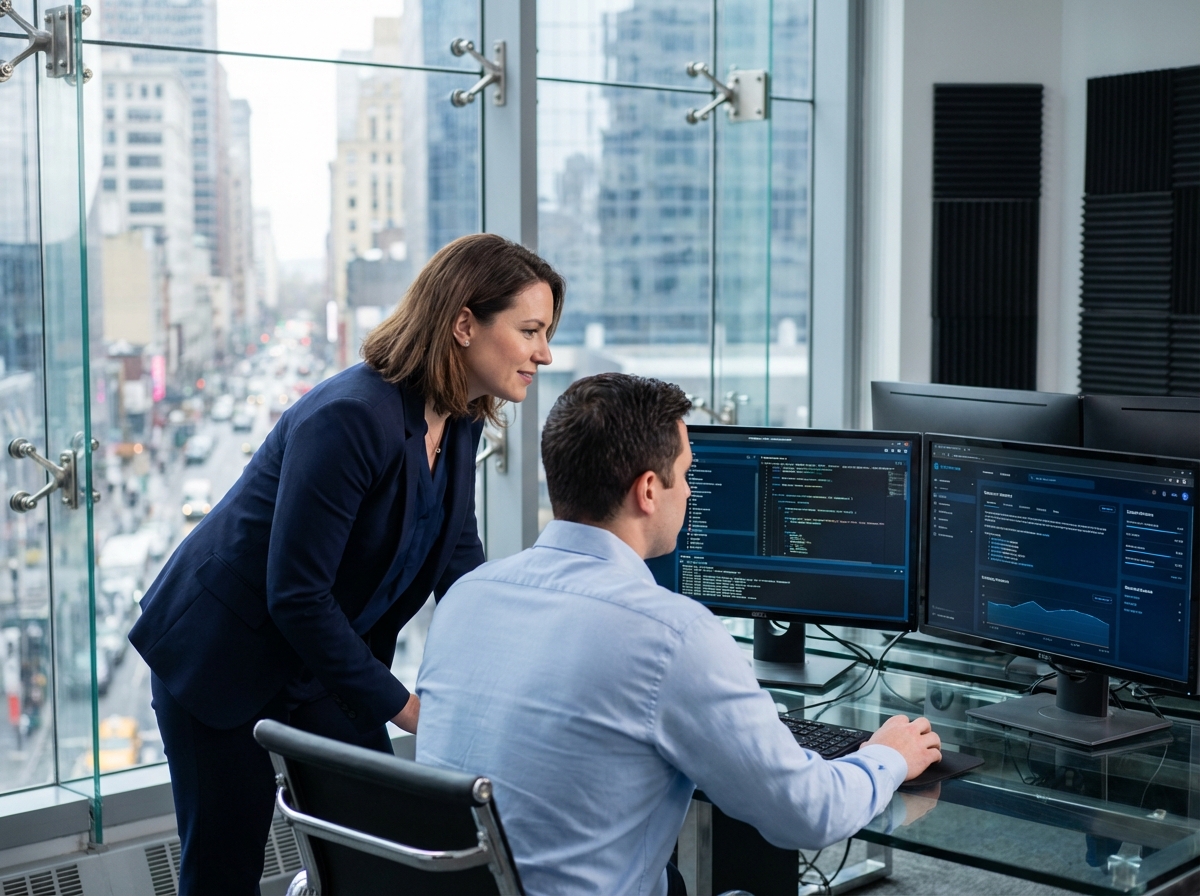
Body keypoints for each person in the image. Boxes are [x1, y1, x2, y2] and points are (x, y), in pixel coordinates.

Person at [128, 233, 564, 895]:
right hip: (222, 661)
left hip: (317, 665)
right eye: (530, 330)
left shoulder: (461, 417)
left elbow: (458, 561)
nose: (545, 352)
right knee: (223, 870)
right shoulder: (351, 418)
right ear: (464, 324)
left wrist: (527, 659)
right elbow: (297, 593)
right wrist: (407, 708)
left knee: (386, 852)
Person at [416, 373, 942, 896]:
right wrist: (888, 754)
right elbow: (809, 815)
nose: (690, 491)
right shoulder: (673, 634)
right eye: (686, 474)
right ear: (648, 490)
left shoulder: (468, 595)